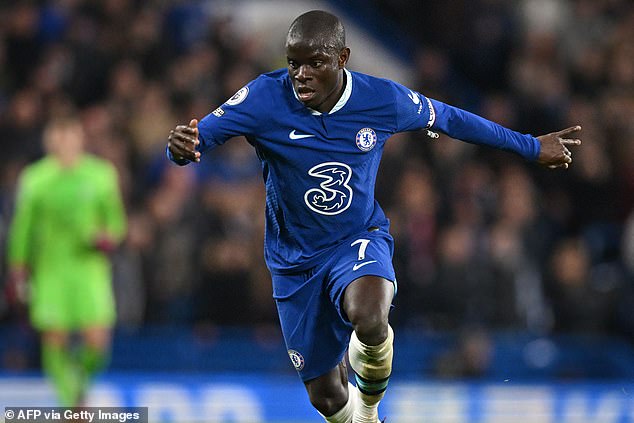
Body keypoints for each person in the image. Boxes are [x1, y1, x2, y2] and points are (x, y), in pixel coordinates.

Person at [167, 10, 581, 423]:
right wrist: (181, 148)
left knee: (370, 315)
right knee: (327, 399)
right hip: (294, 262)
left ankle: (368, 412)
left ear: (342, 58)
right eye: (294, 63)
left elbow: (450, 118)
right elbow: (196, 139)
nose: (302, 75)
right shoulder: (263, 97)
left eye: (315, 63)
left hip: (356, 239)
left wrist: (530, 146)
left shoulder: (381, 99)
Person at [6, 113, 127, 407]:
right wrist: (18, 268)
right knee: (55, 339)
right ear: (49, 142)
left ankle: (79, 384)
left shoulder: (101, 175)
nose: (64, 145)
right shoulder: (35, 179)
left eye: (69, 137)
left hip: (89, 269)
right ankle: (71, 406)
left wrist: (105, 238)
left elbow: (116, 224)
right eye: (58, 139)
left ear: (80, 139)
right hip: (51, 270)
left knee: (98, 343)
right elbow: (22, 228)